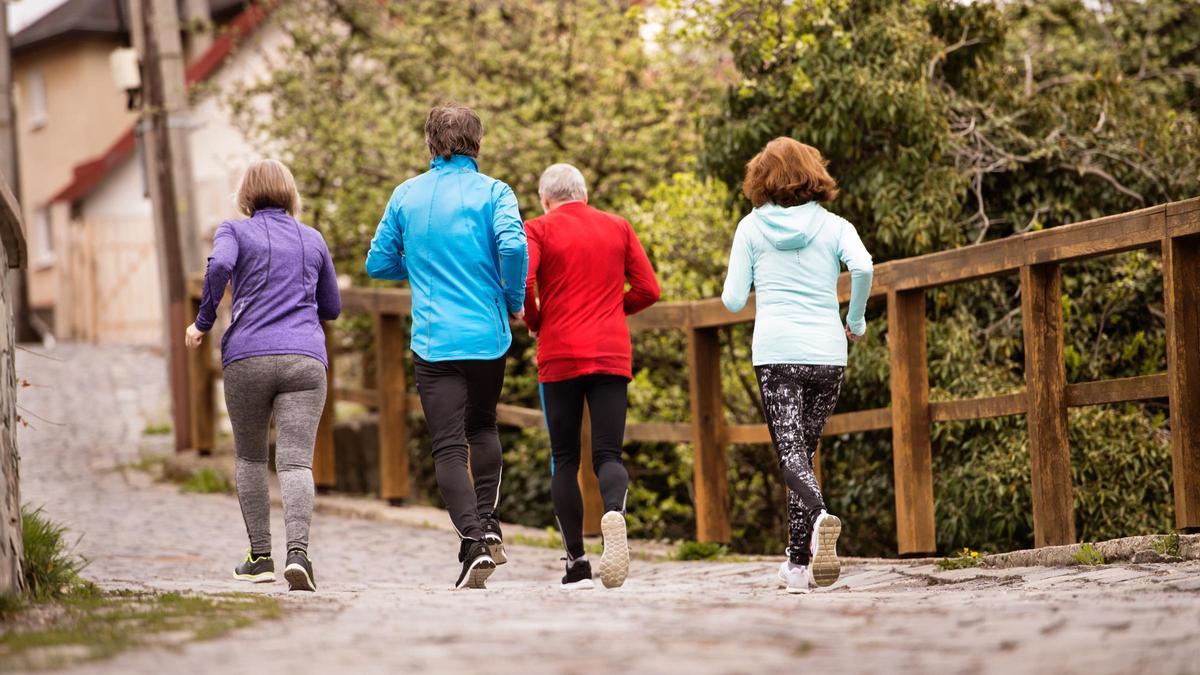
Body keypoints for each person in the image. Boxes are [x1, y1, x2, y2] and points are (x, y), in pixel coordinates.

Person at [366, 104, 527, 590]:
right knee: (483, 426)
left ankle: (473, 542)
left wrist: (421, 266)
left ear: (430, 144)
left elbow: (378, 263)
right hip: (487, 335)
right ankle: (489, 523)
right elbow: (514, 247)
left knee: (448, 445)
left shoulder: (406, 194)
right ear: (478, 143)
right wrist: (512, 298)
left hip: (434, 341)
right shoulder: (495, 192)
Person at [720, 137, 873, 594]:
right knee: (802, 455)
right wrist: (855, 320)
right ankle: (797, 566)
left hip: (777, 354)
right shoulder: (835, 226)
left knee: (791, 455)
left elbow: (732, 301)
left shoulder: (751, 228)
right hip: (828, 354)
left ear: (760, 179)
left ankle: (821, 516)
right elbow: (864, 268)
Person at [185, 159, 342, 592]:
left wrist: (202, 322)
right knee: (295, 461)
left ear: (245, 195)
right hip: (305, 359)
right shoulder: (312, 238)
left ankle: (260, 558)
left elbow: (219, 266)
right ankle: (299, 555)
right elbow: (332, 307)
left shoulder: (234, 231)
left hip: (247, 357)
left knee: (251, 459)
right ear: (291, 194)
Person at [523, 164, 660, 589]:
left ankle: (577, 562)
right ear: (583, 194)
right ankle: (614, 512)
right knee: (608, 455)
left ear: (546, 199)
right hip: (609, 352)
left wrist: (536, 320)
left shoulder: (537, 229)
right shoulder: (618, 226)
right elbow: (649, 289)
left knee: (565, 459)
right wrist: (613, 309)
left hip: (559, 352)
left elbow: (525, 284)